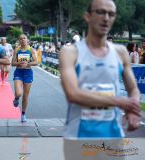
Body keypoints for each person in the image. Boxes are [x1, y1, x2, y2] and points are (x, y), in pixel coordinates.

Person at [59, 0, 141, 139]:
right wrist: (119, 101)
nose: (106, 18)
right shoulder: (70, 52)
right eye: (101, 12)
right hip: (79, 136)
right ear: (87, 16)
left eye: (111, 14)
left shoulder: (120, 52)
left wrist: (133, 110)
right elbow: (73, 94)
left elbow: (133, 89)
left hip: (113, 135)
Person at [12, 34, 38, 122]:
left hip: (28, 73)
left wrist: (28, 64)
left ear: (27, 40)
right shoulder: (17, 50)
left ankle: (23, 114)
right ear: (19, 41)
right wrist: (19, 63)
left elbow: (36, 62)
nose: (22, 40)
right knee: (19, 93)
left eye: (24, 38)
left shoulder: (31, 50)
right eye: (21, 39)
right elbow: (12, 63)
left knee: (25, 96)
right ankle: (16, 98)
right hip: (18, 72)